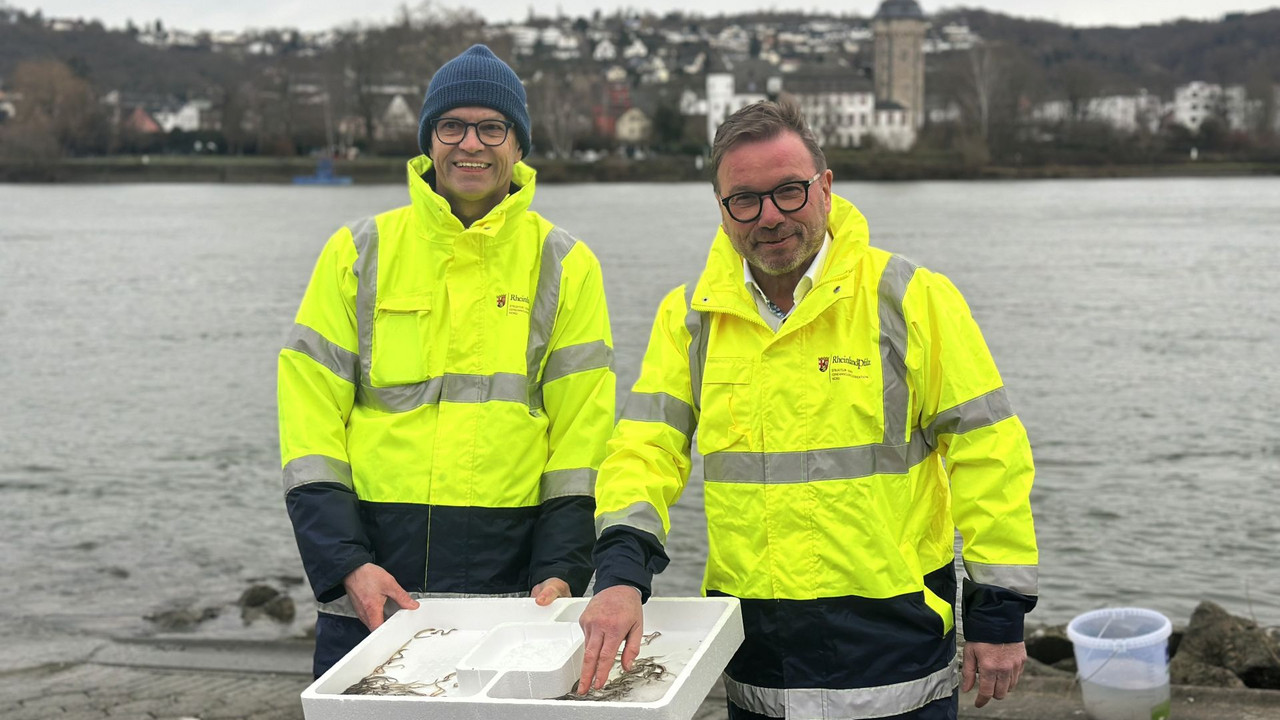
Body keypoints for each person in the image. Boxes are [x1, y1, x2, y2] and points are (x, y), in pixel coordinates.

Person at [577, 101, 1038, 719]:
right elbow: (644, 453)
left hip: (898, 661)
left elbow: (990, 453)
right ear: (721, 207)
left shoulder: (909, 299)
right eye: (745, 199)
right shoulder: (690, 320)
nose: (770, 217)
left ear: (824, 187)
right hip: (761, 666)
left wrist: (999, 611)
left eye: (788, 192)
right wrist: (619, 576)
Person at [278, 44, 616, 677]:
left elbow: (582, 439)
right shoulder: (358, 251)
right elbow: (309, 427)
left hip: (515, 589)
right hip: (375, 585)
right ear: (429, 140)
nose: (471, 144)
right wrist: (346, 564)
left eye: (492, 127)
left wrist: (563, 571)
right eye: (452, 126)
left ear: (518, 144)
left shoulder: (567, 264)